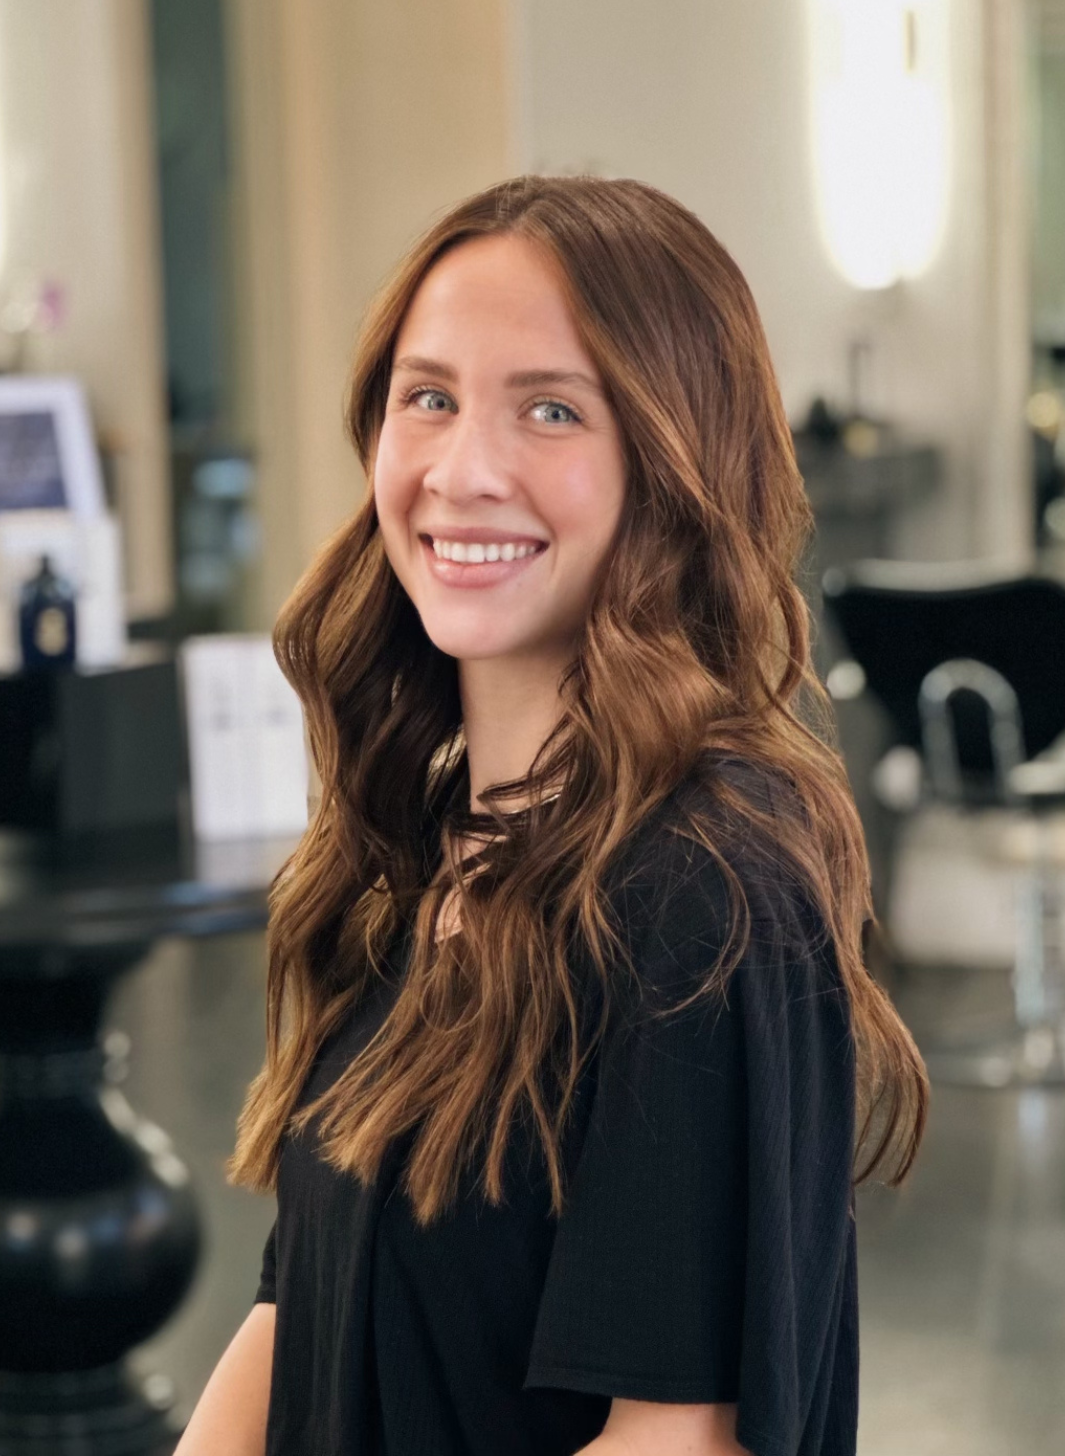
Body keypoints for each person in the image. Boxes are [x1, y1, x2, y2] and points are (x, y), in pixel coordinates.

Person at [174, 175, 928, 1456]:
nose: (464, 470)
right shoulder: (421, 846)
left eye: (552, 409)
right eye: (430, 397)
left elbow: (678, 1438)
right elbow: (297, 1302)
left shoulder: (705, 890)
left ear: (675, 458)